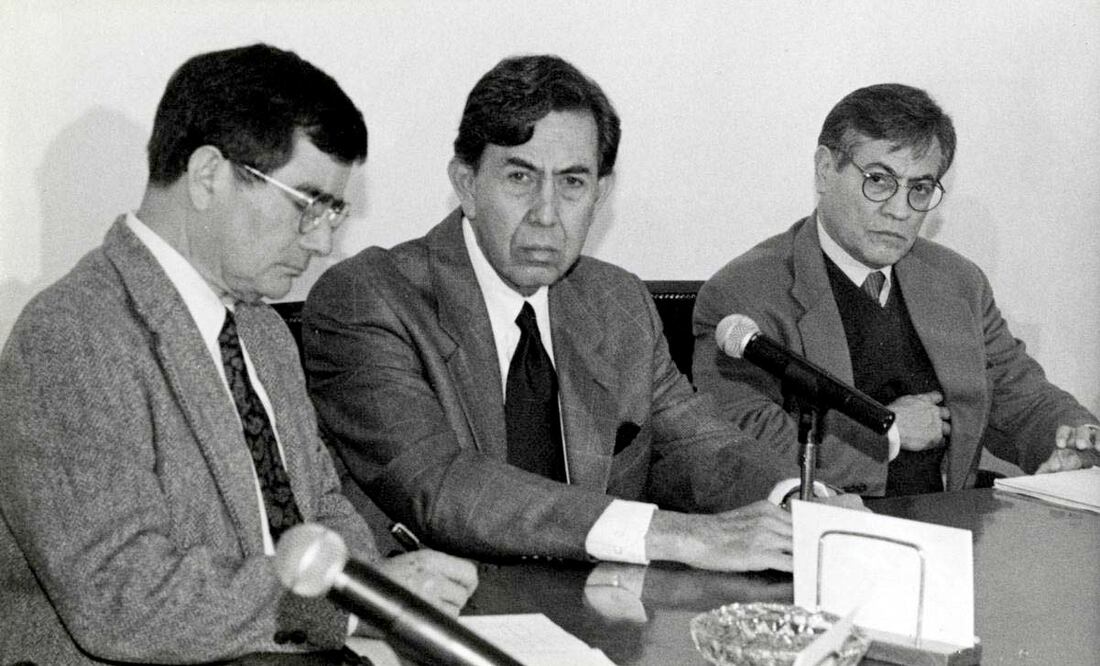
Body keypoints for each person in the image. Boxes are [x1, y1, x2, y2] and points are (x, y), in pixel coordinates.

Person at [0, 44, 476, 665]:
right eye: (308, 205)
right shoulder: (73, 336)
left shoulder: (262, 331)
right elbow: (121, 599)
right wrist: (354, 606)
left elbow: (321, 511)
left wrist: (385, 595)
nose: (324, 241)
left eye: (334, 212)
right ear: (207, 175)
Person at [303, 54, 844, 576]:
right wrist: (676, 535)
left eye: (572, 183)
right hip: (440, 611)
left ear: (599, 194)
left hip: (595, 612)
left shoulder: (617, 303)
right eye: (520, 178)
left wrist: (799, 501)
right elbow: (442, 487)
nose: (546, 214)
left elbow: (697, 444)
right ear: (466, 184)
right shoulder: (370, 298)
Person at [693, 83, 1099, 497]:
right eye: (879, 180)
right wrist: (887, 434)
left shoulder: (958, 281)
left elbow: (1021, 397)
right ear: (825, 170)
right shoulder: (746, 292)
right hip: (824, 524)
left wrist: (1072, 439)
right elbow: (737, 438)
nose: (900, 210)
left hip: (950, 522)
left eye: (919, 188)